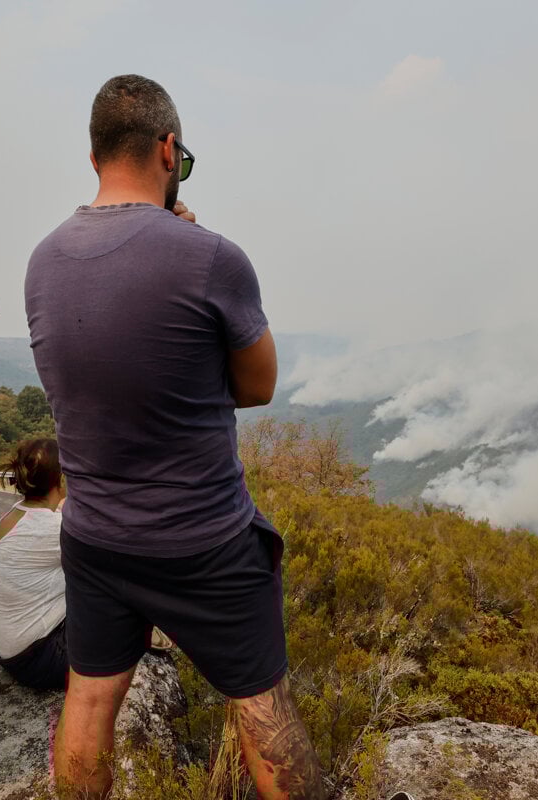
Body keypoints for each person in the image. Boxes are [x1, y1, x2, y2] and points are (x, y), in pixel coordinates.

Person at [25, 74, 323, 799]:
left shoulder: (43, 259)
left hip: (94, 533)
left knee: (91, 700)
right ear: (168, 149)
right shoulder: (211, 257)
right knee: (260, 705)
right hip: (203, 537)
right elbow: (257, 387)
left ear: (94, 156)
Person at [0, 439, 69, 690]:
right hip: (40, 661)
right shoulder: (52, 529)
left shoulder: (16, 515)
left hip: (7, 650)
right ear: (61, 480)